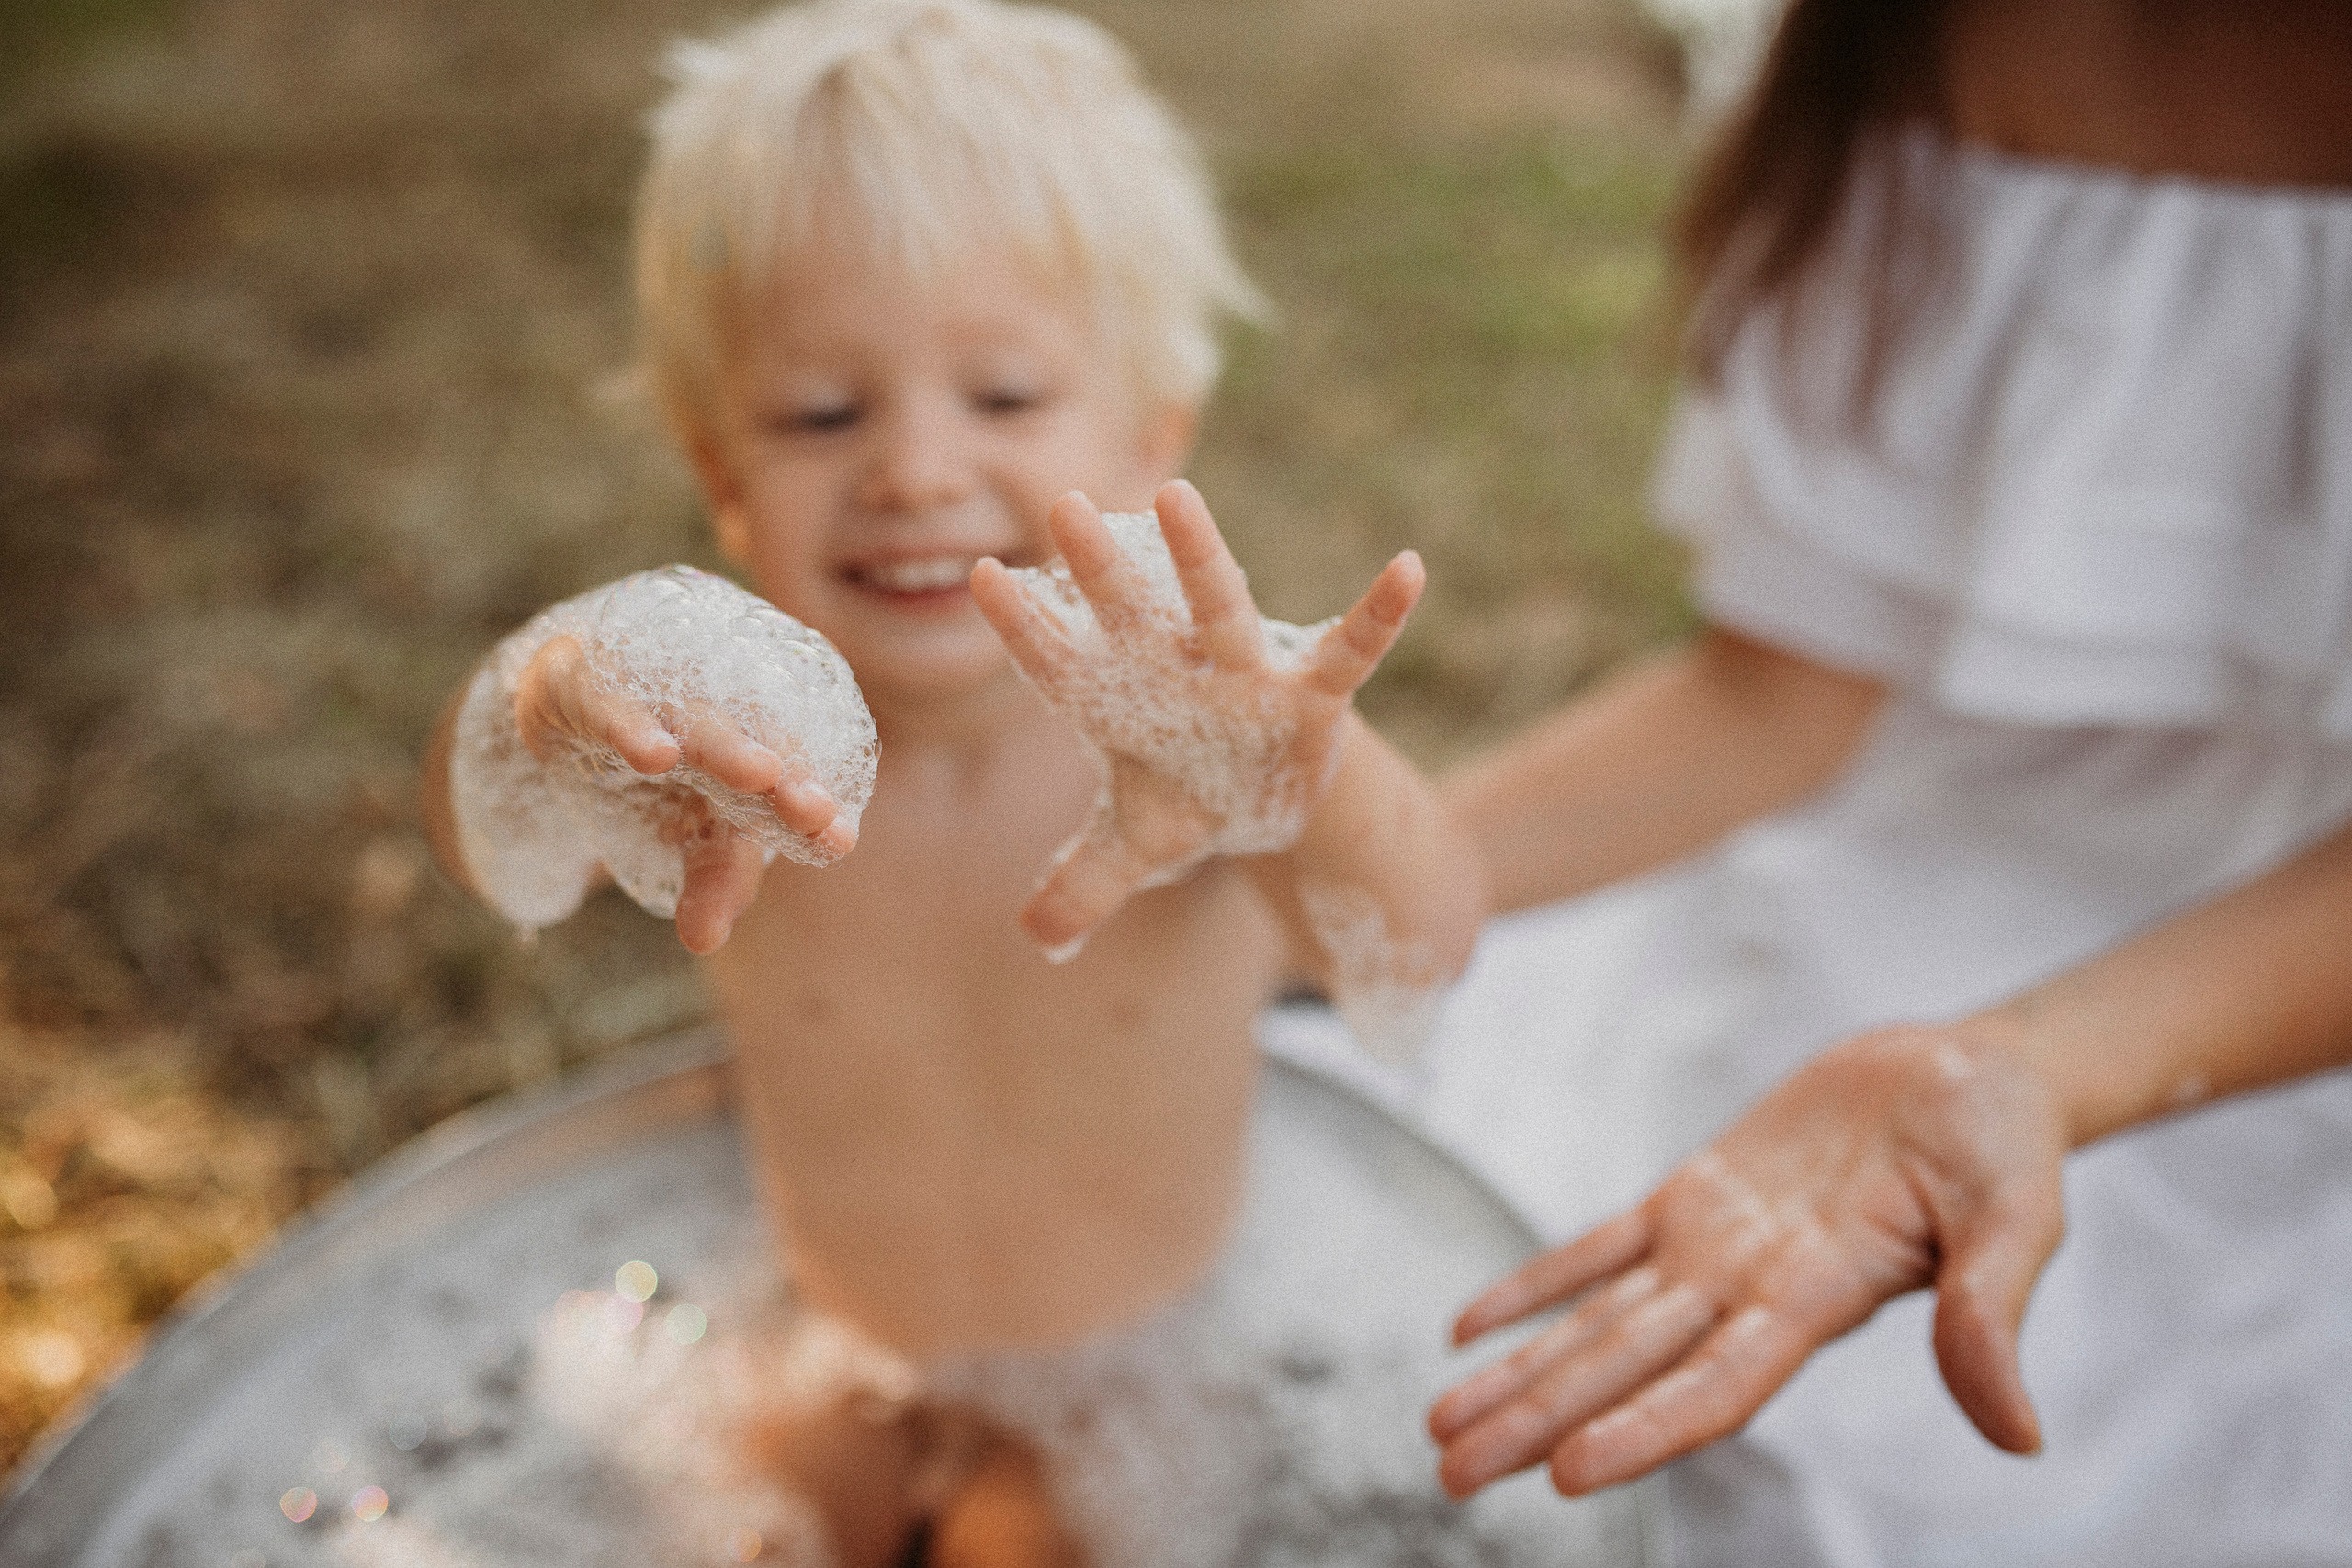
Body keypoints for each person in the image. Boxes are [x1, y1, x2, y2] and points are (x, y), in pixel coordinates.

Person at [417, 0, 1480, 1557]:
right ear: (723, 476)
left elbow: (1427, 950)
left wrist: (1303, 781)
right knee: (746, 1525)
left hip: (1140, 1379)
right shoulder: (732, 760)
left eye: (1001, 397)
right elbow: (486, 849)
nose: (913, 467)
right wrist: (541, 712)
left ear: (1144, 441)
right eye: (822, 412)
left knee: (1024, 1546)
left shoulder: (1183, 752)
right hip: (841, 1354)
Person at [1407, 0, 2352, 1562]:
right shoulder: (1936, 35)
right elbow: (1779, 695)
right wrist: (1328, 886)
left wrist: (2033, 1068)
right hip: (1882, 918)